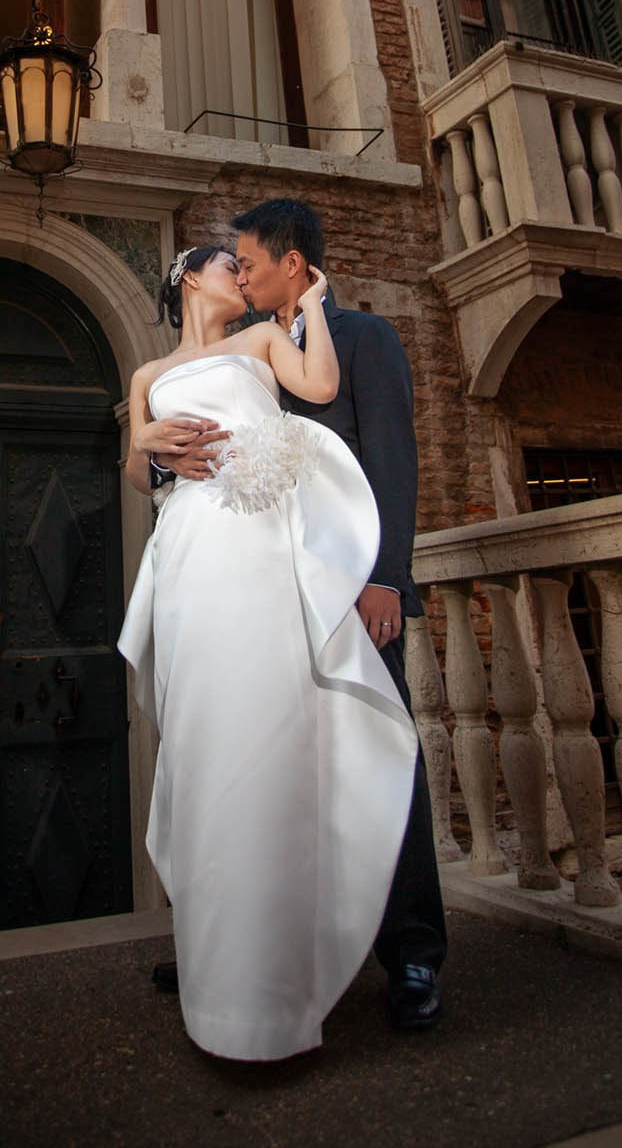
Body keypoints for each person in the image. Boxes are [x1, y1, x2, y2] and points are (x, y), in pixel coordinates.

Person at [119, 244, 417, 1061]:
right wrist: (149, 438)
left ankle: (278, 981)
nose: (239, 277)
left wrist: (314, 302)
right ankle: (214, 960)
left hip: (258, 548)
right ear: (185, 278)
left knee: (265, 730)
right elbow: (140, 480)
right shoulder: (148, 373)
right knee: (202, 740)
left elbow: (319, 387)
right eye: (225, 266)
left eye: (245, 267)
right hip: (188, 555)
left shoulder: (258, 344)